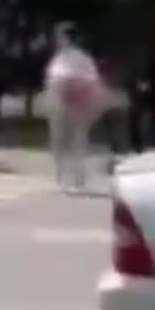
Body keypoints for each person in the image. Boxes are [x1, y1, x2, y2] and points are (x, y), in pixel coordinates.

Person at [44, 25, 104, 192]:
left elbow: (92, 83)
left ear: (67, 38)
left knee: (76, 140)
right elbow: (52, 81)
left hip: (75, 103)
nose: (57, 41)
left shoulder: (81, 59)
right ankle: (63, 177)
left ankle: (76, 179)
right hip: (59, 103)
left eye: (60, 37)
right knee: (61, 141)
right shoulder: (58, 58)